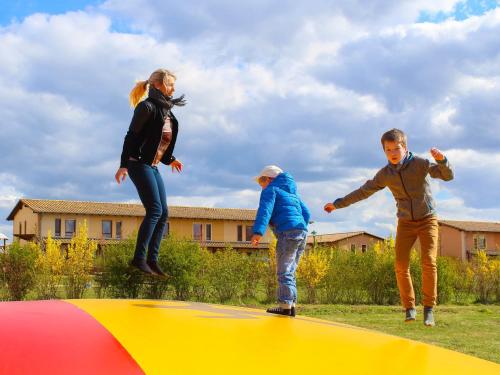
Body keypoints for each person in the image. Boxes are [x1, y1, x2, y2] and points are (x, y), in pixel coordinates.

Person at [324, 128, 453, 326]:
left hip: (427, 218)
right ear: (384, 151)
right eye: (388, 150)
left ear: (405, 147)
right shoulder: (385, 174)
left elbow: (447, 176)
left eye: (396, 149)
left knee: (428, 260)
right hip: (405, 222)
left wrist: (443, 160)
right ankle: (409, 308)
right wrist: (337, 203)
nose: (392, 153)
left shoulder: (420, 163)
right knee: (400, 265)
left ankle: (429, 308)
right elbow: (363, 191)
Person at [115, 68, 186, 276]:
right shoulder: (146, 107)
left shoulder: (167, 112)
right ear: (157, 85)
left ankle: (152, 260)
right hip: (138, 163)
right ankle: (139, 258)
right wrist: (123, 165)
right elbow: (131, 136)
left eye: (174, 85)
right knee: (154, 210)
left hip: (152, 166)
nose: (173, 89)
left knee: (163, 213)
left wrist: (170, 159)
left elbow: (160, 143)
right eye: (170, 84)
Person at [251, 165, 311, 317]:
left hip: (288, 233)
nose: (261, 185)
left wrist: (258, 232)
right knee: (290, 270)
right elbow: (307, 213)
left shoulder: (270, 190)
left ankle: (285, 306)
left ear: (270, 179)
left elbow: (265, 210)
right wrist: (300, 226)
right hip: (302, 233)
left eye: (261, 181)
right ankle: (291, 305)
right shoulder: (293, 194)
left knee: (283, 270)